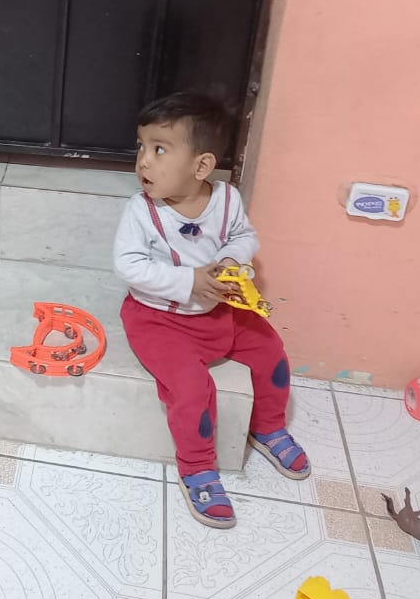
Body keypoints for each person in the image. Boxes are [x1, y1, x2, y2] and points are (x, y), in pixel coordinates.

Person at [114, 92, 309, 528]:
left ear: (201, 166)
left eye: (159, 149)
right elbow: (129, 266)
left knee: (272, 352)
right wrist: (188, 281)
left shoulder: (226, 199)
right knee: (191, 389)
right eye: (141, 146)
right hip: (159, 319)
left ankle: (268, 425)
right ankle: (198, 466)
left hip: (219, 310)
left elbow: (244, 237)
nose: (143, 161)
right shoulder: (141, 211)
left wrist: (231, 261)